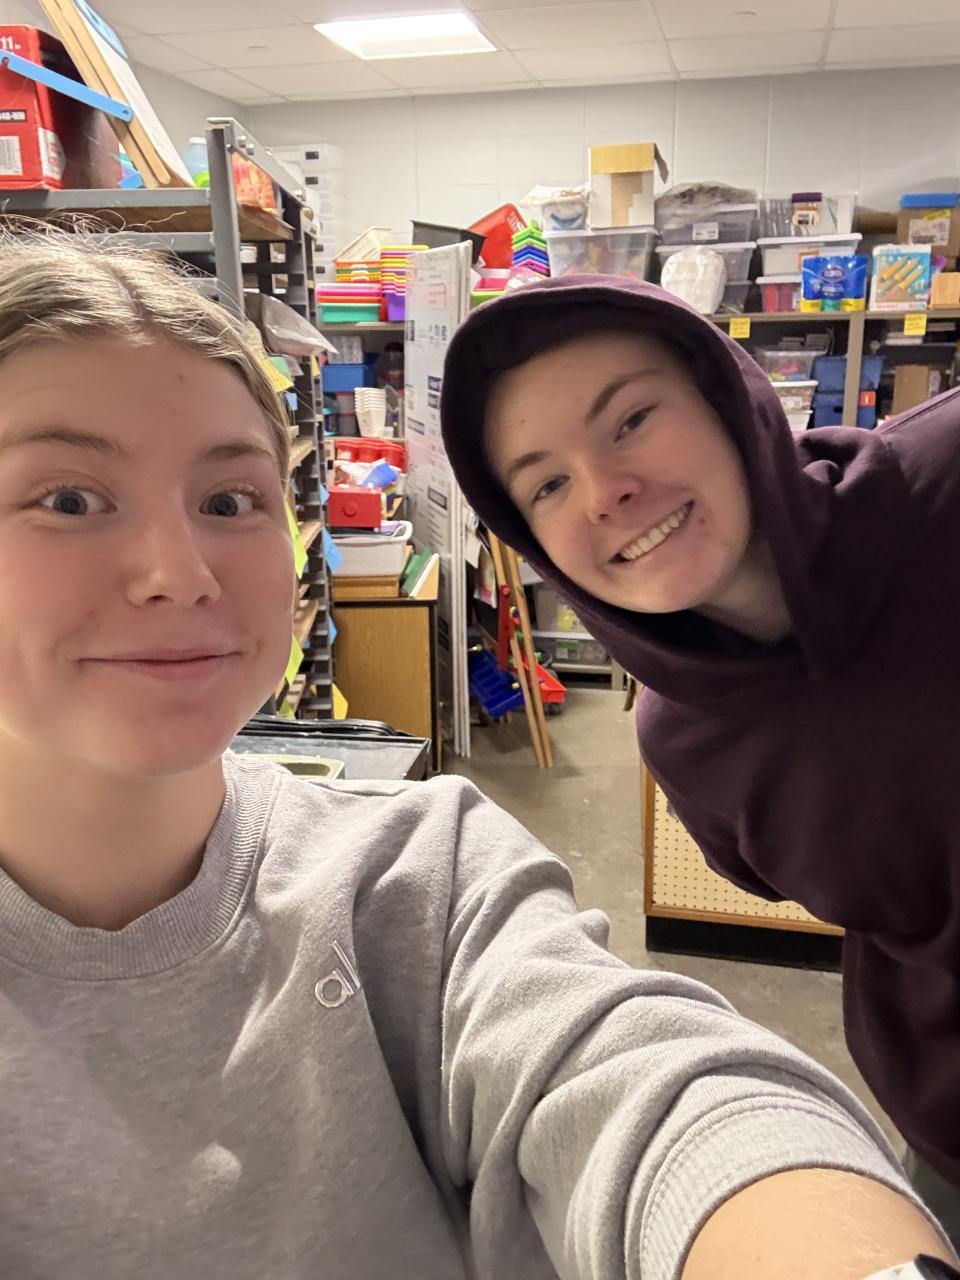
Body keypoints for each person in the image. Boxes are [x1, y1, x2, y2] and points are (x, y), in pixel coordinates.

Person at [0, 235, 953, 1280]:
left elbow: (646, 1084)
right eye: (69, 498)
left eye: (229, 500)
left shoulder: (421, 880)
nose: (178, 573)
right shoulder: (685, 734)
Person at [439, 273, 960, 1248]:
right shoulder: (683, 739)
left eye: (632, 419)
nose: (606, 492)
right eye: (546, 484)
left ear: (729, 399)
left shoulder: (944, 480)